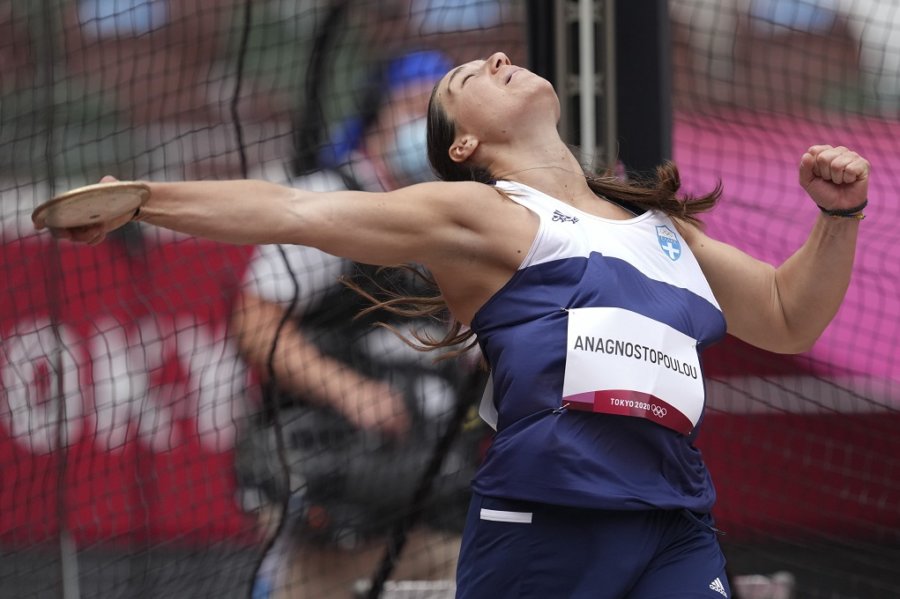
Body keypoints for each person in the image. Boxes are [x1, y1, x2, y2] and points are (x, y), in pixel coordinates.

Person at [38, 51, 870, 599]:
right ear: (466, 142)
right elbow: (294, 209)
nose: (499, 57)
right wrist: (147, 197)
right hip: (549, 521)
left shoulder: (662, 229)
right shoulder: (483, 213)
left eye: (496, 55)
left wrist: (841, 215)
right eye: (470, 75)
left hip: (675, 520)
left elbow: (791, 314)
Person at [231, 50, 476, 599]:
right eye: (412, 109)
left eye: (440, 117)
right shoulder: (331, 199)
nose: (425, 127)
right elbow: (254, 321)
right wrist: (349, 393)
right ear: (376, 116)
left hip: (427, 477)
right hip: (331, 465)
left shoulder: (457, 216)